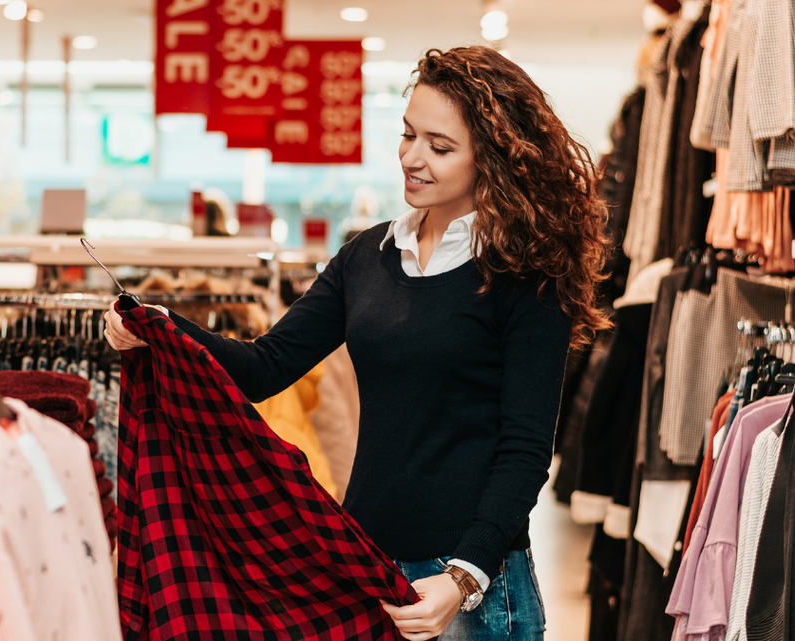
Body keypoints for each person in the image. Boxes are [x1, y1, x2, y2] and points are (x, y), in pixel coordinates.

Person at [104, 46, 610, 641]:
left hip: (470, 588)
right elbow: (265, 366)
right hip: (363, 567)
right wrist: (163, 327)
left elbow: (526, 448)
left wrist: (465, 576)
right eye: (408, 136)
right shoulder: (367, 257)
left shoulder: (525, 275)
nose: (412, 159)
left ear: (491, 161)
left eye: (439, 147)